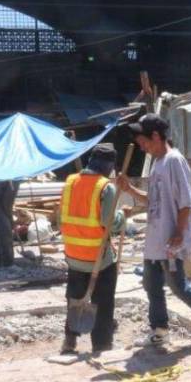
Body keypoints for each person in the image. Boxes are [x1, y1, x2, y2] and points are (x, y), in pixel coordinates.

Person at [118, 113, 191, 347]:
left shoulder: (174, 161)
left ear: (156, 136)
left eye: (143, 141)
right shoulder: (158, 163)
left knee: (179, 286)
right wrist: (130, 190)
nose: (142, 147)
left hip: (170, 239)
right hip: (156, 239)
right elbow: (154, 200)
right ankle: (159, 330)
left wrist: (179, 233)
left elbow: (186, 203)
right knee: (151, 284)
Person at [58, 144, 126, 357]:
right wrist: (122, 216)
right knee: (103, 302)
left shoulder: (70, 182)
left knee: (75, 297)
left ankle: (70, 339)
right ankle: (102, 344)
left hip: (73, 254)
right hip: (98, 257)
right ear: (109, 166)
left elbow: (61, 217)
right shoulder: (105, 187)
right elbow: (109, 222)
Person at [0, 180, 20, 267]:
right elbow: (7, 203)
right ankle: (7, 263)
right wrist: (10, 220)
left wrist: (10, 219)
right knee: (5, 233)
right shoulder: (14, 181)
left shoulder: (13, 179)